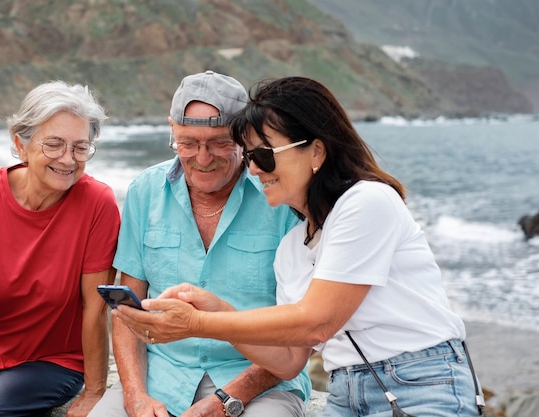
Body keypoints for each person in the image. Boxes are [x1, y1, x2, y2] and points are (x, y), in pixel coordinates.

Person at [115, 76, 485, 417]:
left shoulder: (367, 201)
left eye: (263, 155)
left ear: (316, 152)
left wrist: (199, 322)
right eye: (250, 156)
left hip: (420, 380)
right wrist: (220, 310)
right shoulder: (294, 245)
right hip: (345, 390)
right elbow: (290, 359)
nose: (255, 171)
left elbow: (316, 323)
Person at [88, 71, 311, 417]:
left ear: (245, 137)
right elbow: (126, 313)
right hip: (162, 375)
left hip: (260, 381)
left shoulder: (282, 198)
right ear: (172, 130)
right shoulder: (145, 191)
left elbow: (300, 327)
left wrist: (229, 399)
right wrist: (134, 395)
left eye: (219, 143)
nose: (202, 158)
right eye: (188, 143)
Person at [0, 81, 121, 417]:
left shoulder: (98, 203)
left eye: (81, 147)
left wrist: (95, 392)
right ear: (20, 144)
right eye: (54, 145)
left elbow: (95, 307)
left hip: (52, 360)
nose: (68, 159)